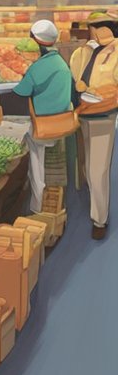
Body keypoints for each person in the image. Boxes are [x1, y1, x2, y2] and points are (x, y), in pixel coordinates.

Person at [14, 20, 74, 217]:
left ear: (35, 41)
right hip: (61, 123)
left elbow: (20, 91)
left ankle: (37, 209)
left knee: (36, 169)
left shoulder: (38, 67)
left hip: (42, 127)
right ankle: (57, 207)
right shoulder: (60, 62)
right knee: (54, 169)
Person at [71, 13, 118, 239]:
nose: (95, 32)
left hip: (103, 115)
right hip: (82, 114)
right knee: (86, 166)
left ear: (110, 28)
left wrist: (100, 92)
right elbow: (76, 75)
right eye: (93, 28)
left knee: (98, 169)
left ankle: (99, 220)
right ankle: (95, 201)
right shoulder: (85, 51)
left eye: (100, 27)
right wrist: (80, 84)